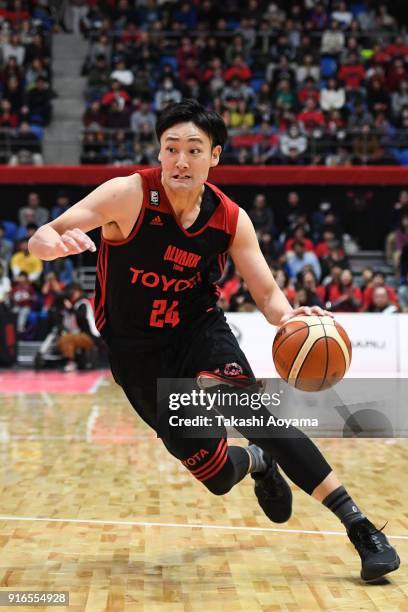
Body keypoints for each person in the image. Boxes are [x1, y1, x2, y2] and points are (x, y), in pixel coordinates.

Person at [28, 100, 399, 582]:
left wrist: (290, 316)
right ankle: (257, 463)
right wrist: (48, 244)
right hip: (138, 358)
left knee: (253, 414)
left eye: (193, 150)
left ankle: (362, 528)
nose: (180, 160)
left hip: (200, 333)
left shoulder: (229, 218)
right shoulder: (127, 195)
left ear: (214, 157)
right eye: (171, 148)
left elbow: (266, 293)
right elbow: (48, 232)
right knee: (220, 477)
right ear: (159, 153)